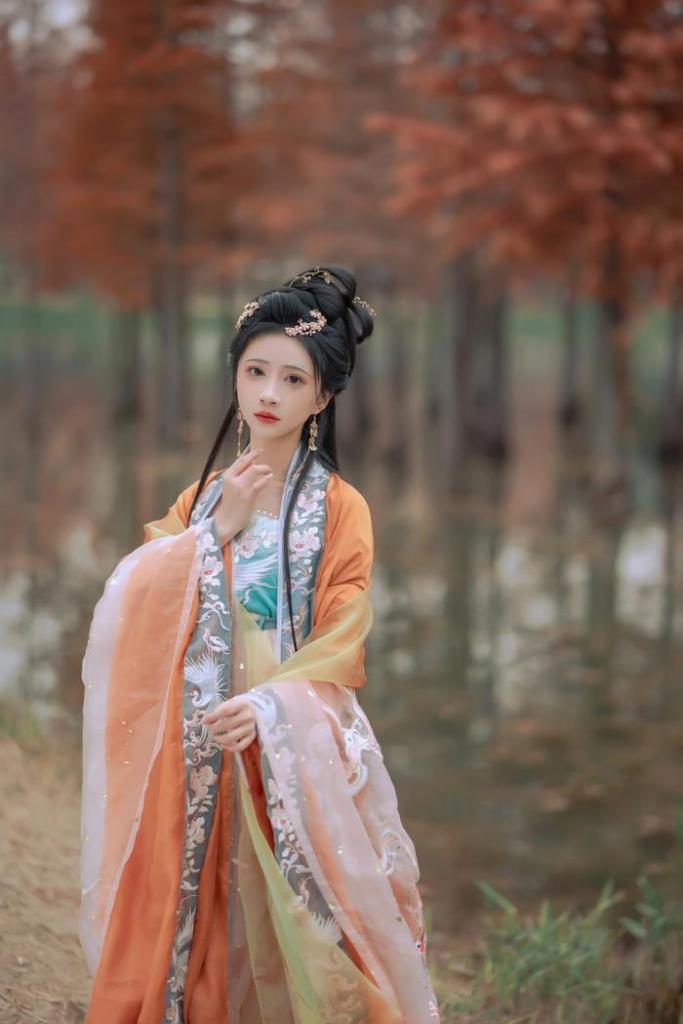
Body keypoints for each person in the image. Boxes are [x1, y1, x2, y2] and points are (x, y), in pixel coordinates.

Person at [79, 264, 441, 1023]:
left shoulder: (342, 510)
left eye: (292, 379)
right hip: (198, 740)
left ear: (324, 397)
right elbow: (132, 601)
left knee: (311, 918)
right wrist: (215, 530)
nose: (269, 394)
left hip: (287, 743)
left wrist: (275, 708)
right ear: (236, 378)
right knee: (193, 900)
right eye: (255, 372)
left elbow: (343, 633)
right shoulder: (201, 498)